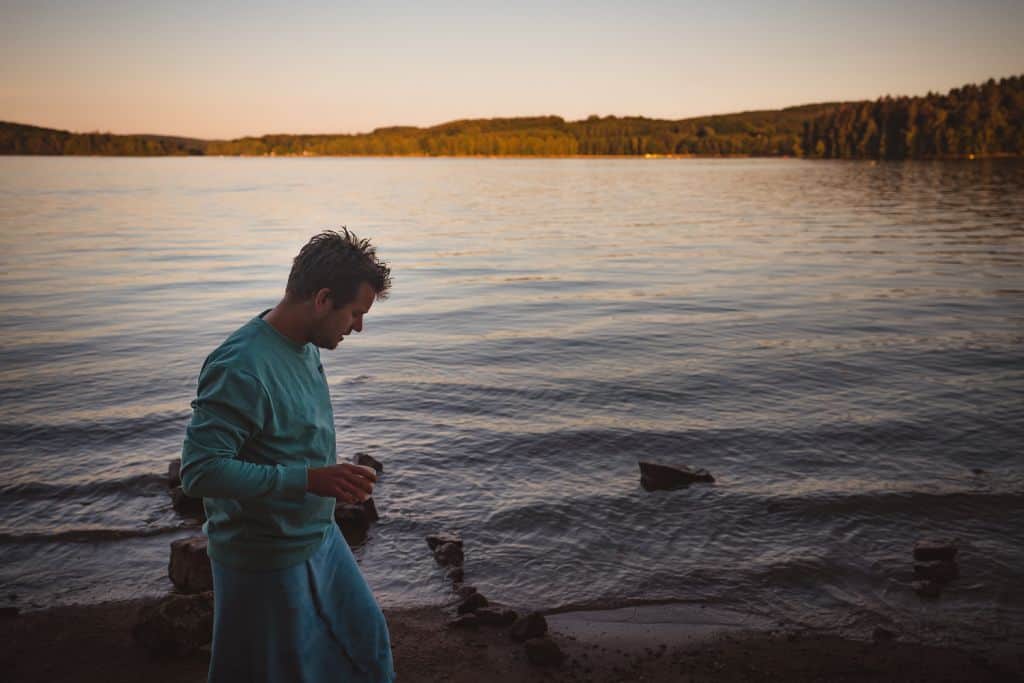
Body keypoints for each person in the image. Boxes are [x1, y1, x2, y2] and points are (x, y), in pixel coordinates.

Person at [180, 229, 395, 682]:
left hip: (319, 536)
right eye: (355, 313)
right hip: (265, 556)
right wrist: (309, 480)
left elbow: (291, 435)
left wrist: (331, 478)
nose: (358, 326)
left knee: (366, 642)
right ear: (322, 300)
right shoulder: (240, 365)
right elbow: (200, 472)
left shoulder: (304, 345)